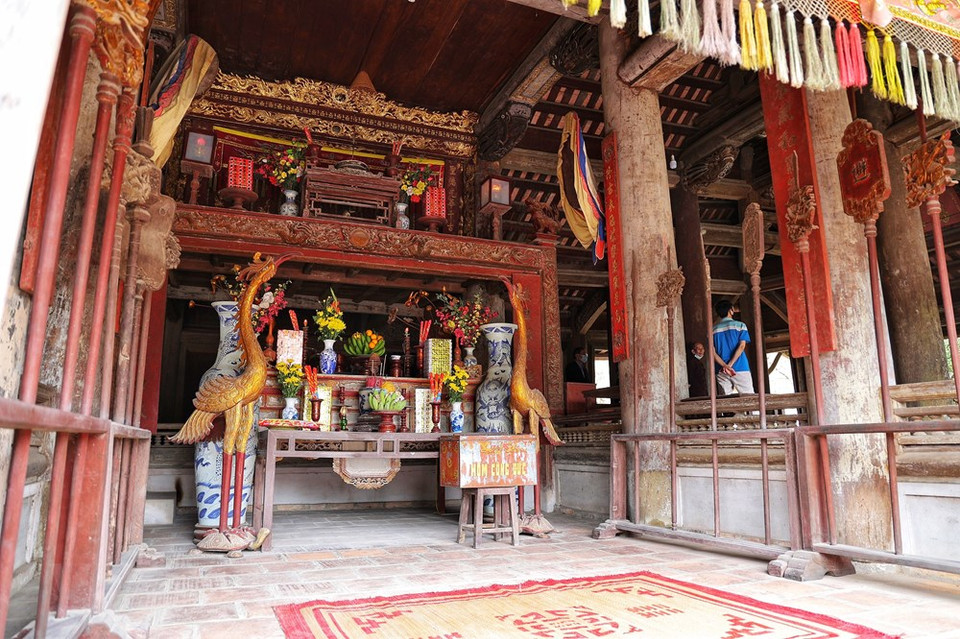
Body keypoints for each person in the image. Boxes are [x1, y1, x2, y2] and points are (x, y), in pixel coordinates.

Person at [712, 300, 755, 395]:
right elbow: (741, 346)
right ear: (731, 310)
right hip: (740, 366)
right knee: (749, 398)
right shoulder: (740, 325)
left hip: (720, 369)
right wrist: (730, 365)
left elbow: (713, 353)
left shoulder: (712, 330)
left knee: (726, 401)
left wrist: (724, 366)